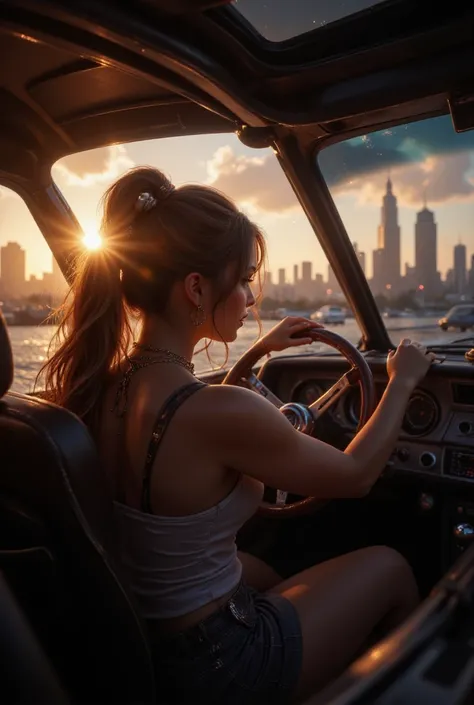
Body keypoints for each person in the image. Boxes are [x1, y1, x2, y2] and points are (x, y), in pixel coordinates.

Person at [41, 166, 435, 704]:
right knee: (390, 566)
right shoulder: (219, 412)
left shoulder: (102, 386)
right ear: (197, 289)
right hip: (217, 664)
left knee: (270, 569)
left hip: (141, 640)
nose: (251, 297)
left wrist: (255, 355)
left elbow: (196, 430)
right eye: (246, 279)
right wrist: (403, 380)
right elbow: (358, 473)